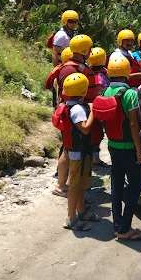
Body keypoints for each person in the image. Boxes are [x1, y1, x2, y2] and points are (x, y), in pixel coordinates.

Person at [92, 56, 141, 241]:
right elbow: (133, 124)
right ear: (126, 72)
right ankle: (125, 229)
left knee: (116, 184)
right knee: (135, 186)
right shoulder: (130, 94)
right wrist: (139, 150)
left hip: (112, 145)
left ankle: (117, 226)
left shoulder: (105, 91)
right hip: (129, 146)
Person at [51, 72, 95, 231]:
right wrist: (94, 112)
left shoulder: (68, 103)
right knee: (75, 184)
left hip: (74, 149)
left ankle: (81, 211)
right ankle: (71, 218)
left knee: (81, 183)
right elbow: (85, 129)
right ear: (83, 90)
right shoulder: (77, 109)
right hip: (78, 151)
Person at [51, 34, 93, 198]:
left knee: (68, 148)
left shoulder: (73, 66)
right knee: (68, 149)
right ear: (83, 50)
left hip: (71, 110)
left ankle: (66, 182)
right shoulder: (71, 69)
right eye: (88, 49)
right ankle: (62, 185)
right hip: (72, 112)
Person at [86, 47, 110, 168]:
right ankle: (95, 158)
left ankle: (93, 157)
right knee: (97, 134)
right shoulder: (101, 76)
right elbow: (101, 91)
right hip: (98, 106)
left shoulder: (87, 71)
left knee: (95, 133)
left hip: (90, 106)